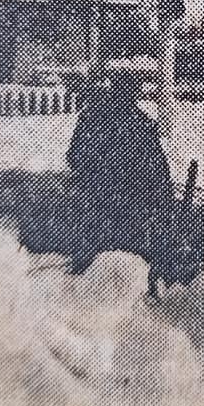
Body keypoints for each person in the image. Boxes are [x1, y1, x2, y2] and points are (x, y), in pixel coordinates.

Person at [65, 72, 175, 288]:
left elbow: (73, 157)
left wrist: (95, 173)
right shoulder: (141, 124)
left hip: (101, 204)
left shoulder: (93, 117)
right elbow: (159, 172)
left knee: (91, 266)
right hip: (127, 209)